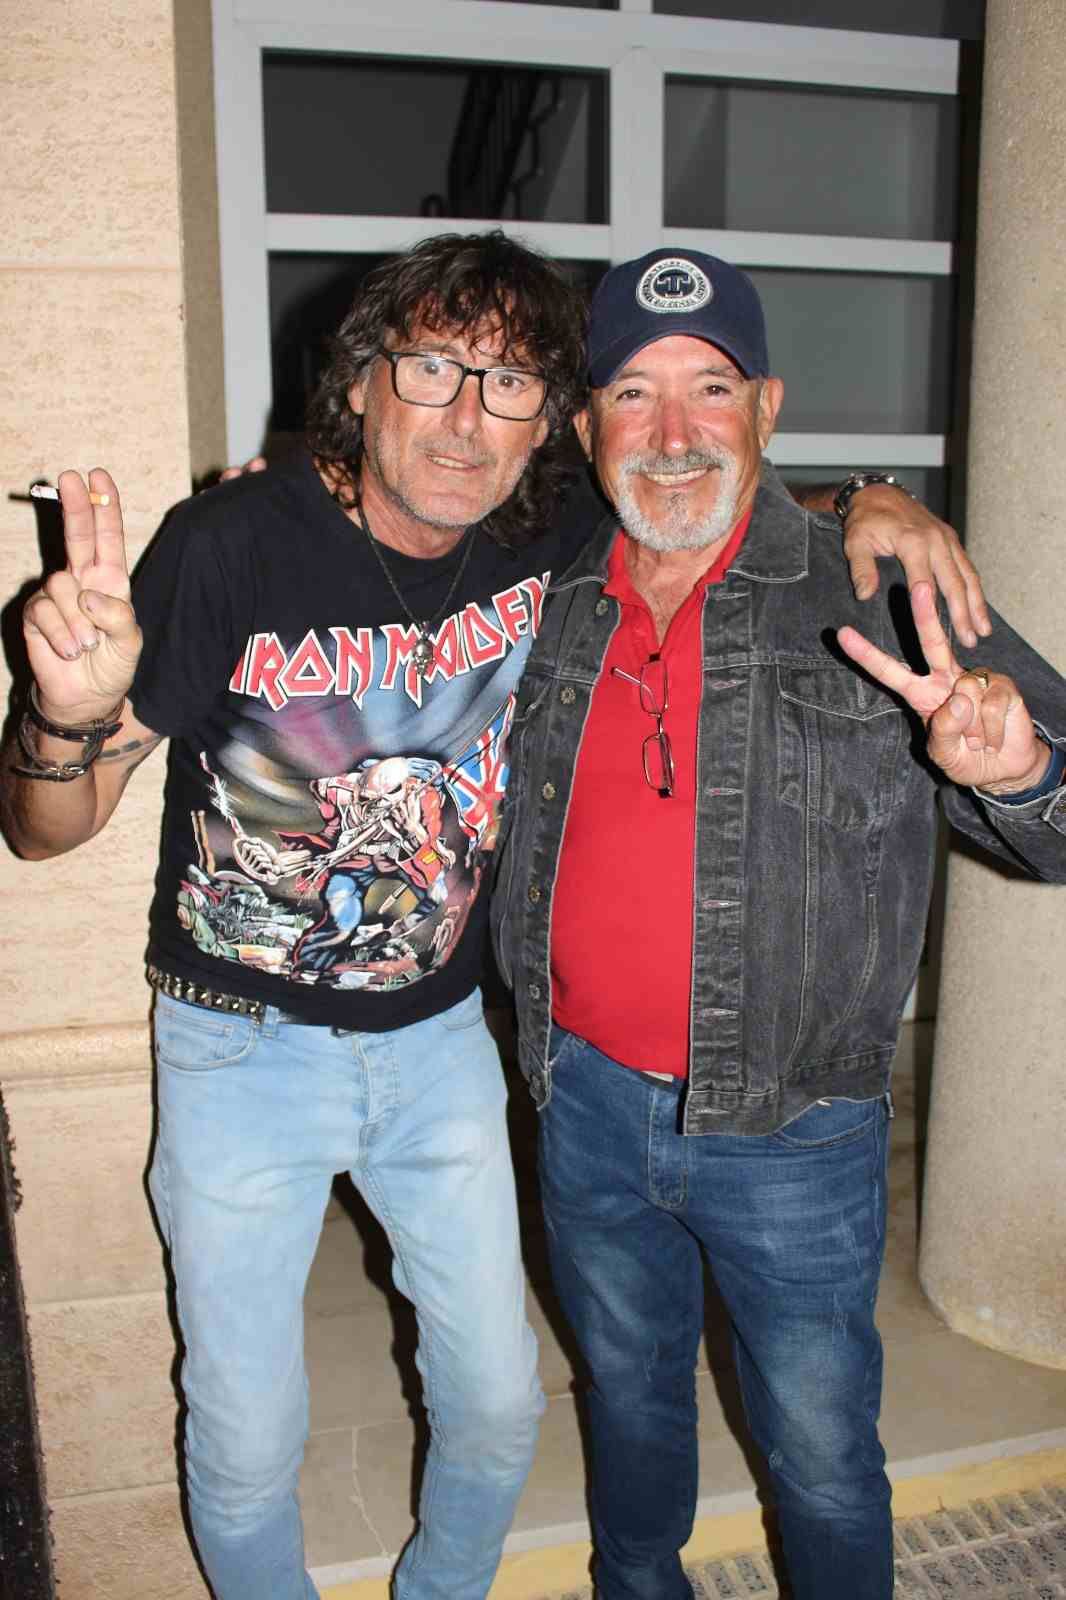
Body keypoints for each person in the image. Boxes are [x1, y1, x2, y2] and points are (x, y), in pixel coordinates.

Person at [2, 229, 990, 1600]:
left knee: (497, 1407)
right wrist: (61, 715)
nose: (468, 420)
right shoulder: (225, 545)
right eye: (433, 370)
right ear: (360, 383)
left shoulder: (549, 528)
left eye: (513, 386)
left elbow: (701, 479)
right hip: (240, 1051)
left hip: (440, 1046)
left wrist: (878, 500)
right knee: (244, 1434)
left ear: (549, 428)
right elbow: (45, 830)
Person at [491, 246, 1066, 1600]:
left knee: (814, 1451)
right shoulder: (549, 594)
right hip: (578, 1099)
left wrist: (1020, 775)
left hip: (797, 1127)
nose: (675, 431)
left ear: (765, 406)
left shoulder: (880, 589)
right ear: (585, 429)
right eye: (632, 394)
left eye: (711, 387)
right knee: (625, 1401)